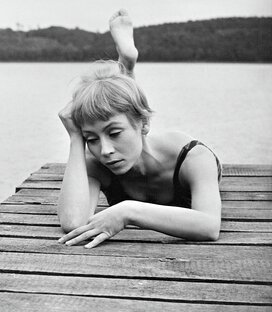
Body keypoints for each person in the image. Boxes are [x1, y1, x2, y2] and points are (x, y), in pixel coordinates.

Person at [56, 9, 222, 249]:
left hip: (170, 151)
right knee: (119, 113)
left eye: (114, 134)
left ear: (145, 124)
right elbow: (73, 222)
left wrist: (127, 211)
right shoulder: (98, 160)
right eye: (90, 138)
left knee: (125, 111)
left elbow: (209, 226)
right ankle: (125, 69)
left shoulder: (193, 157)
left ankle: (126, 68)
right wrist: (74, 138)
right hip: (133, 125)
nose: (105, 150)